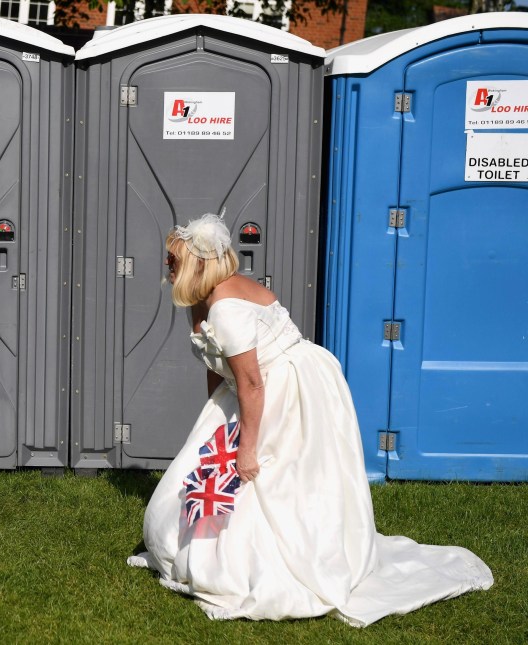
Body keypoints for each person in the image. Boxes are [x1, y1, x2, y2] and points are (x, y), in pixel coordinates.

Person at [128, 212, 493, 626]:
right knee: (212, 465)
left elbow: (252, 385)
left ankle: (276, 558)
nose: (166, 265)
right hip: (255, 383)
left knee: (270, 472)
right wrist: (213, 418)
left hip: (286, 385)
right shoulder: (201, 298)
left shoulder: (226, 308)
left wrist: (245, 450)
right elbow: (218, 366)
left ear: (197, 264)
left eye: (173, 259)